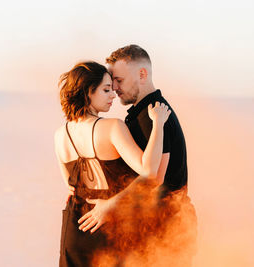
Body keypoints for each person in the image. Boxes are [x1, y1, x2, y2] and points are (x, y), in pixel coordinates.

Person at [80, 44, 197, 265]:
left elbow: (154, 180)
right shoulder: (145, 113)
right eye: (112, 82)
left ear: (142, 74)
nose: (114, 87)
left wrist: (110, 205)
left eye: (119, 80)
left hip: (167, 228)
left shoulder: (151, 115)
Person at [54, 61, 171, 267]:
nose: (113, 96)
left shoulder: (60, 135)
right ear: (88, 92)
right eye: (106, 89)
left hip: (76, 226)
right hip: (110, 227)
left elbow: (70, 186)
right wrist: (158, 124)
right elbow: (149, 172)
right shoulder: (111, 127)